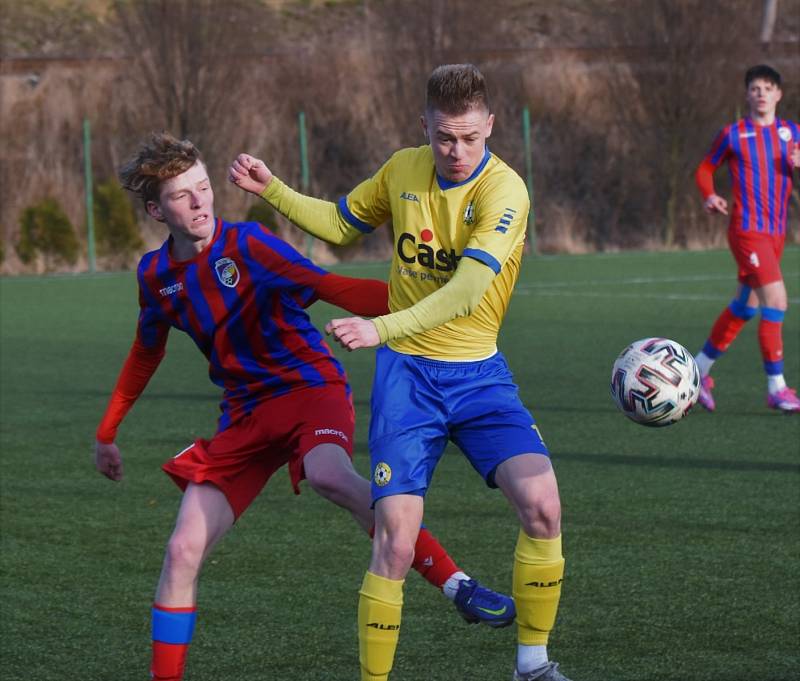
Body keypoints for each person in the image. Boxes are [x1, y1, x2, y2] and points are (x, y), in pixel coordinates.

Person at [93, 132, 517, 681]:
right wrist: (107, 431)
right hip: (245, 414)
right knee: (181, 550)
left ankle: (457, 584)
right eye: (182, 195)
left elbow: (331, 287)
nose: (200, 202)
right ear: (156, 209)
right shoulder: (155, 277)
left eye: (203, 188)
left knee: (329, 477)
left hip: (309, 389)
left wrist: (438, 302)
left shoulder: (250, 245)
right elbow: (144, 351)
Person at [230, 64, 573, 681]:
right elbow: (339, 224)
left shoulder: (506, 192)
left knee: (544, 505)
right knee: (393, 536)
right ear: (425, 126)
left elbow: (469, 290)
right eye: (445, 136)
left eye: (470, 136)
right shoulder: (402, 169)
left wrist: (380, 327)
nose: (457, 150)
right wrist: (273, 189)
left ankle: (533, 665)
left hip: (479, 376)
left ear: (490, 126)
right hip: (409, 381)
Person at [693, 64, 800, 413]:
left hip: (775, 234)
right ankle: (777, 387)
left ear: (778, 94)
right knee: (777, 300)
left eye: (768, 88)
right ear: (747, 94)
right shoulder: (733, 134)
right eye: (755, 88)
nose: (761, 93)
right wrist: (709, 194)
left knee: (745, 306)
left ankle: (698, 373)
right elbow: (705, 168)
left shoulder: (792, 134)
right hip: (746, 230)